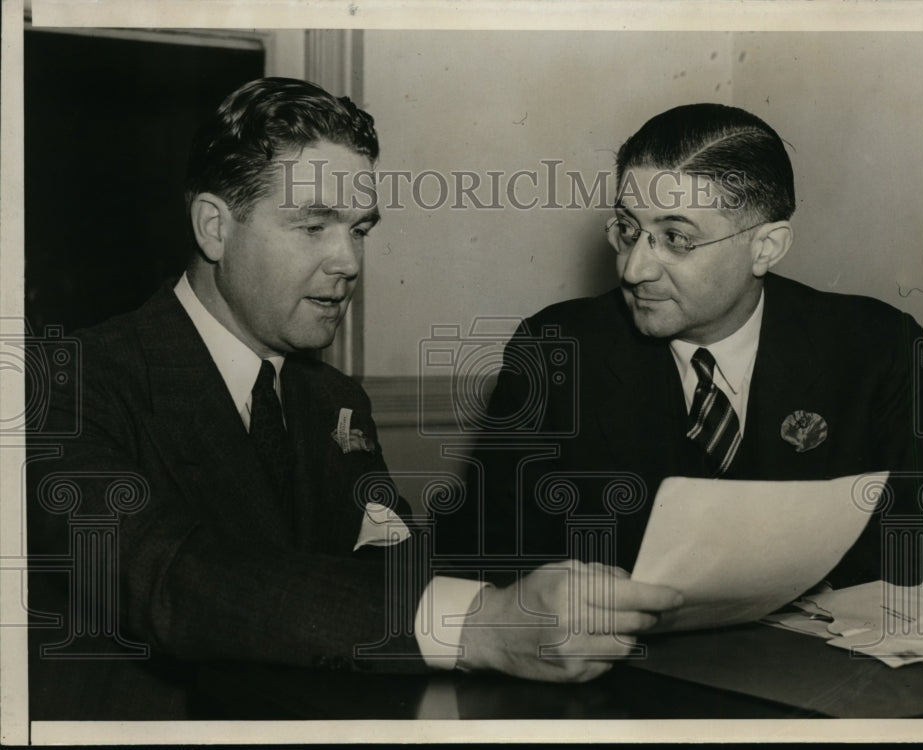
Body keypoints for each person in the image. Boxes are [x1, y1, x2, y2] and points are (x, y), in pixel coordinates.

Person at [26, 78, 682, 720]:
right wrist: (479, 624)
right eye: (314, 226)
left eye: (359, 229)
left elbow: (392, 560)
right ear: (214, 228)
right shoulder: (67, 384)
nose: (349, 262)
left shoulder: (332, 398)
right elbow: (173, 582)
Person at [437, 103, 923, 595]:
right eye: (627, 228)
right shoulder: (555, 353)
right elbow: (480, 560)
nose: (633, 268)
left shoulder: (875, 347)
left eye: (676, 238)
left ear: (766, 247)